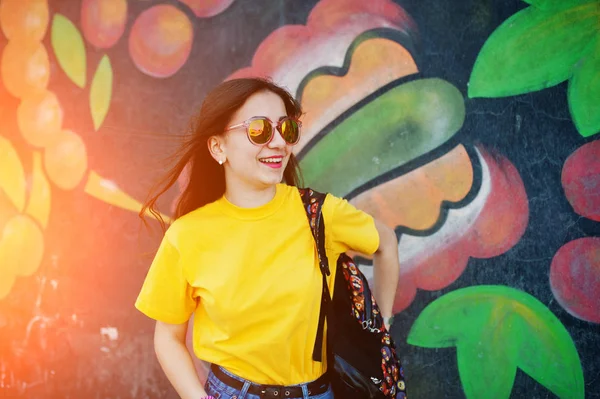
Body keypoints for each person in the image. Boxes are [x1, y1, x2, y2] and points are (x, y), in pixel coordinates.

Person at [135, 77, 400, 399]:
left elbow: (385, 243)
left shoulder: (320, 214)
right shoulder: (187, 235)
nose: (278, 143)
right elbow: (167, 336)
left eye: (286, 129)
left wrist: (381, 329)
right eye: (258, 130)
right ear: (218, 147)